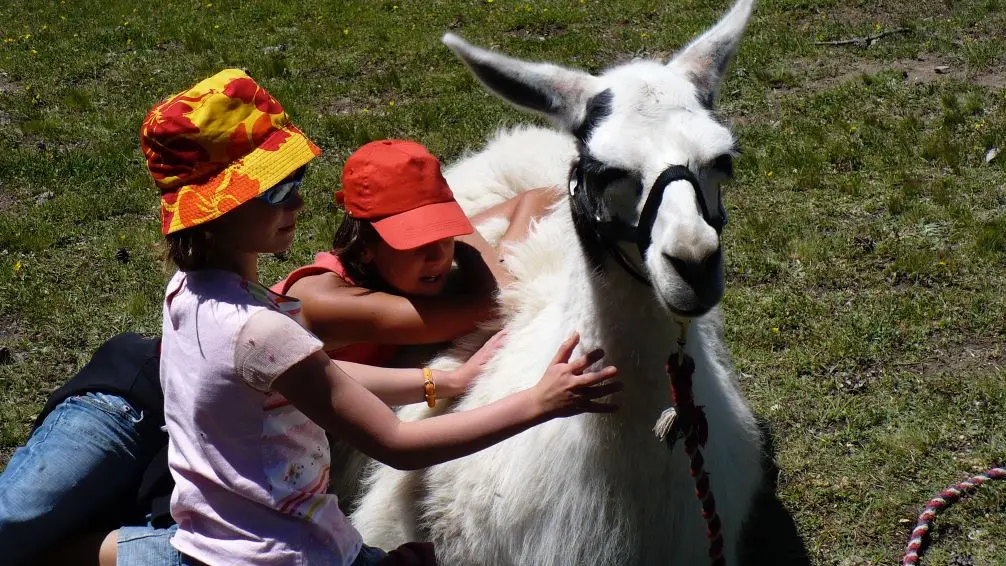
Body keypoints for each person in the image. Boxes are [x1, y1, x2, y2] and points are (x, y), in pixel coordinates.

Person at [0, 69, 592, 566]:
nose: (299, 201)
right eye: (278, 189)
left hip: (215, 537)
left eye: (297, 180)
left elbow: (311, 376)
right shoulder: (272, 325)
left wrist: (445, 380)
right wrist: (537, 403)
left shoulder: (192, 291)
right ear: (218, 213)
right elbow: (398, 444)